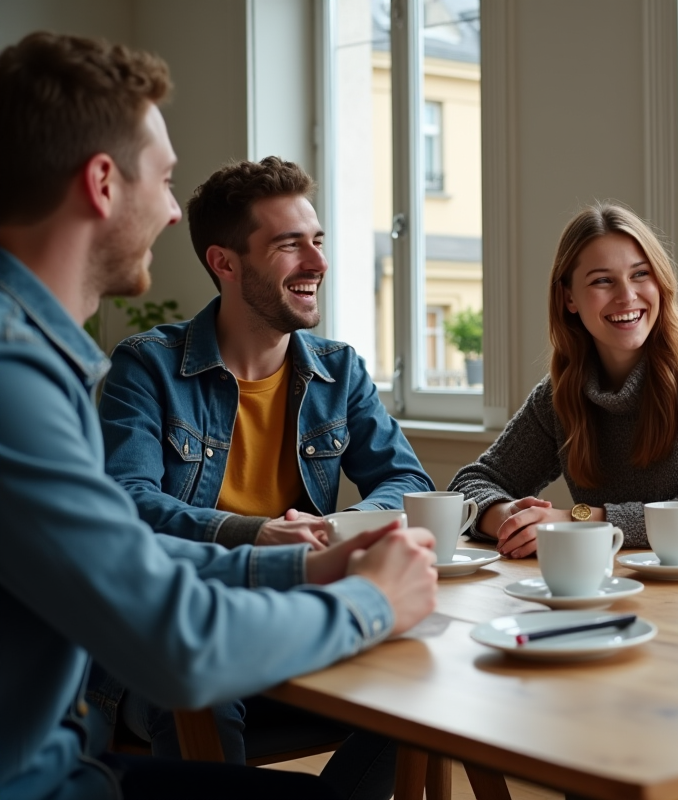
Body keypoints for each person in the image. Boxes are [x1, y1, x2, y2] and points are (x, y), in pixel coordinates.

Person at [0, 31, 437, 800]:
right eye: (165, 179)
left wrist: (306, 565)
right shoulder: (19, 375)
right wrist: (371, 601)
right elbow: (177, 639)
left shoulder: (37, 356)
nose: (174, 211)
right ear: (102, 183)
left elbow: (127, 558)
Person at [87, 156, 436, 786]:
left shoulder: (339, 369)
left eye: (318, 240)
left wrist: (336, 530)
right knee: (203, 687)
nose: (318, 261)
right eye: (288, 245)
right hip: (178, 643)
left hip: (300, 623)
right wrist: (256, 534)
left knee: (423, 677)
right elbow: (127, 504)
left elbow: (408, 482)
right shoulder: (147, 366)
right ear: (225, 263)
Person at [449, 202, 678, 558]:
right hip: (600, 581)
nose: (626, 296)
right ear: (569, 297)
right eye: (602, 280)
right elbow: (470, 486)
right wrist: (511, 517)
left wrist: (580, 520)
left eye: (640, 274)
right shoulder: (560, 395)